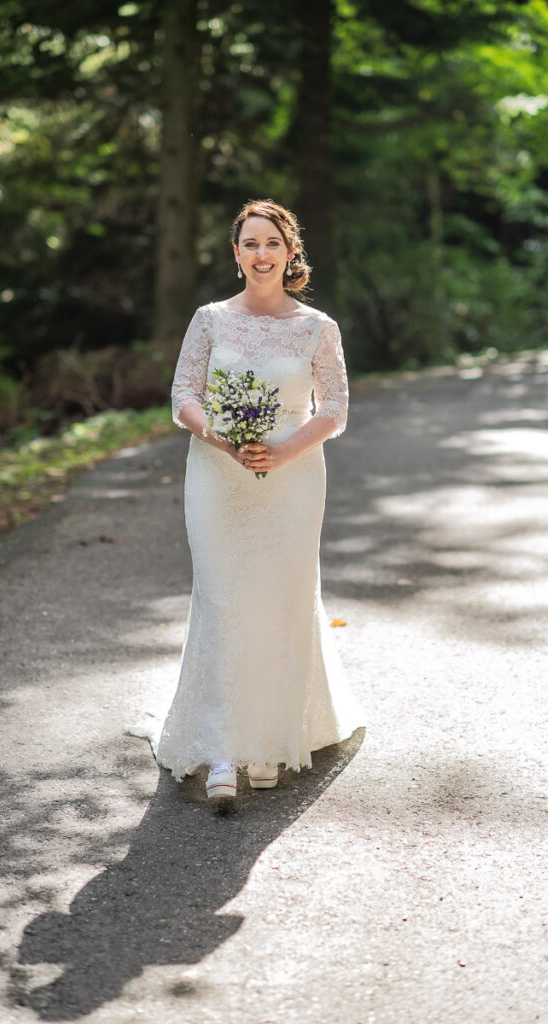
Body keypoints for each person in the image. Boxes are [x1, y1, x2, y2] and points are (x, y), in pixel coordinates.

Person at [156, 198, 363, 799]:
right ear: (237, 253)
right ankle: (222, 750)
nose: (261, 254)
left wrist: (283, 452)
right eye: (250, 243)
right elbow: (183, 394)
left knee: (278, 599)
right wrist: (219, 438)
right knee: (223, 600)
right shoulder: (210, 319)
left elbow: (335, 410)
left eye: (272, 243)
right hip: (217, 476)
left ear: (291, 251)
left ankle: (270, 740)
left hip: (293, 480)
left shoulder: (318, 328)